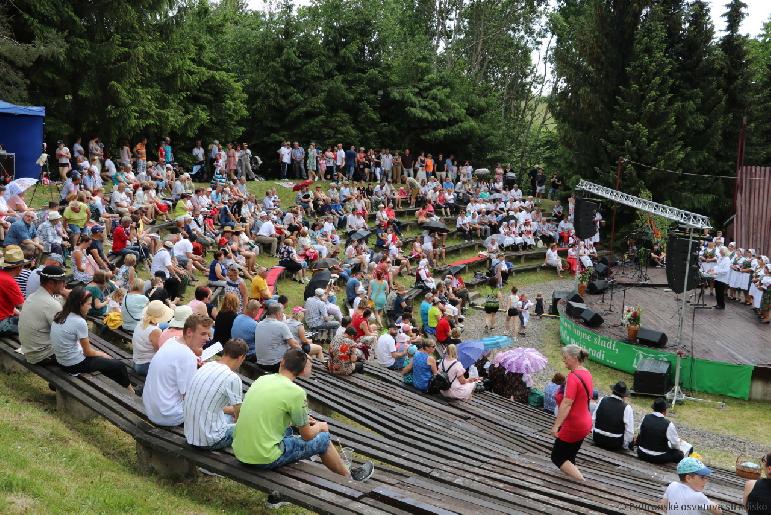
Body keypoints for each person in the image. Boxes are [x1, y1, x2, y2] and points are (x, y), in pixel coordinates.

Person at [233, 348, 374, 481]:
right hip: (263, 458)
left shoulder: (262, 379)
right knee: (323, 438)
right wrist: (320, 426)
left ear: (282, 362)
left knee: (289, 431)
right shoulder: (296, 392)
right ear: (301, 372)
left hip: (240, 452)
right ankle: (349, 477)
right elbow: (307, 435)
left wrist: (298, 420)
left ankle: (342, 470)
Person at [50, 287, 133, 392]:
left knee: (107, 364)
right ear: (79, 304)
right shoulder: (79, 321)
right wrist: (101, 354)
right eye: (89, 304)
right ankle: (132, 392)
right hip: (74, 365)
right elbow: (88, 352)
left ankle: (124, 388)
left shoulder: (60, 315)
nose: (90, 307)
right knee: (119, 365)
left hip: (62, 361)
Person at [142, 314, 214, 426]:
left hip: (151, 409)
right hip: (167, 415)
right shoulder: (187, 356)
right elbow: (189, 396)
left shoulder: (172, 341)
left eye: (208, 334)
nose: (207, 338)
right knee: (213, 404)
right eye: (203, 334)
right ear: (189, 332)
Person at [184, 339, 247, 450]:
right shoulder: (232, 378)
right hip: (210, 440)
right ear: (241, 357)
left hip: (190, 435)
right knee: (250, 426)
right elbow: (240, 417)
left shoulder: (206, 366)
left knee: (228, 414)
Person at [550, 344, 593, 481]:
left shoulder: (573, 377)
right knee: (569, 457)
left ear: (574, 358)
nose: (564, 360)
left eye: (566, 357)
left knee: (557, 457)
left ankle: (584, 483)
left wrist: (556, 425)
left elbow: (567, 403)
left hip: (574, 423)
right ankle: (575, 486)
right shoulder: (587, 373)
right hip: (585, 421)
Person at [18, 265, 67, 365]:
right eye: (62, 281)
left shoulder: (32, 296)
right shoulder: (51, 304)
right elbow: (65, 334)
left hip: (29, 350)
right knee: (87, 356)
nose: (64, 284)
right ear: (50, 283)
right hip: (42, 356)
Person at [636, 397, 692, 464]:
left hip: (641, 453)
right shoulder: (668, 424)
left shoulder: (645, 417)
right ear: (665, 410)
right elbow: (675, 445)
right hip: (658, 457)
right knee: (679, 454)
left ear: (653, 409)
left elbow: (642, 433)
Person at [253, 303, 301, 373]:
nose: (283, 315)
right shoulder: (281, 325)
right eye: (282, 312)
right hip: (275, 364)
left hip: (260, 362)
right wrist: (305, 355)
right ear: (278, 313)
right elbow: (294, 345)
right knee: (299, 358)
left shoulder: (259, 324)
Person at [132, 300, 174, 375]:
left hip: (137, 361)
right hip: (144, 365)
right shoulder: (155, 331)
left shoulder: (141, 322)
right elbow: (159, 351)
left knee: (166, 325)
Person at [592, 381, 634, 451]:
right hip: (614, 443)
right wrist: (624, 445)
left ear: (613, 391)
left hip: (597, 438)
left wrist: (595, 432)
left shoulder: (602, 400)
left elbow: (593, 419)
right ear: (624, 395)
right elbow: (629, 432)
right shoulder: (627, 408)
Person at [0, 245, 27, 335]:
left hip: (3, 316)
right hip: (2, 323)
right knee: (36, 326)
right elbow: (24, 306)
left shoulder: (2, 275)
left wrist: (19, 314)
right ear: (19, 267)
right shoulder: (10, 281)